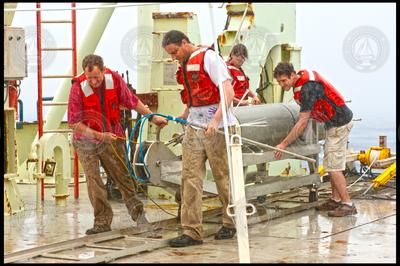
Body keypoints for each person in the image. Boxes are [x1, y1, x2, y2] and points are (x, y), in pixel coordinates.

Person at [68, 54, 168, 235]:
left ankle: (139, 216)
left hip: (112, 137)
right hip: (86, 139)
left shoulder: (114, 79)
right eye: (89, 78)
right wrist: (99, 136)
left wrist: (152, 117)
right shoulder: (77, 87)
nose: (93, 82)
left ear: (104, 70)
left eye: (96, 77)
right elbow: (74, 123)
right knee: (94, 181)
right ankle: (102, 221)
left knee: (123, 176)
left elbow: (132, 101)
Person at [162, 30, 237, 247]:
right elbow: (194, 94)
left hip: (218, 127)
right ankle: (192, 231)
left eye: (175, 52)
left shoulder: (210, 58)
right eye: (170, 54)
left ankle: (230, 222)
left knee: (222, 177)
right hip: (194, 126)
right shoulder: (185, 64)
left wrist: (215, 121)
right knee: (189, 176)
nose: (173, 57)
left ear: (185, 43)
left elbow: (228, 92)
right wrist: (185, 114)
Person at [273, 61, 357, 217]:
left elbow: (303, 121)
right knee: (331, 163)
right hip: (333, 124)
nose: (281, 84)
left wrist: (283, 144)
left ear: (293, 75)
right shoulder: (303, 82)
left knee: (333, 167)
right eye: (278, 82)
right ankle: (336, 199)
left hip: (339, 124)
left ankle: (348, 204)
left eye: (283, 80)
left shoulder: (307, 88)